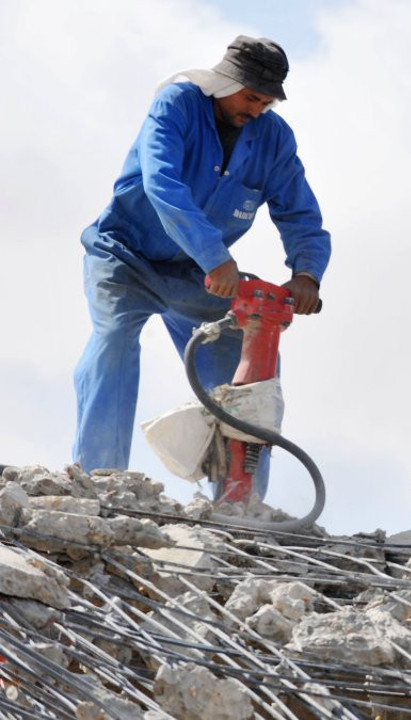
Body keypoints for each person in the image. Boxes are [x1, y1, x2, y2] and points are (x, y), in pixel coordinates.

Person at [72, 35, 331, 500]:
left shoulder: (274, 138)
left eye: (267, 102)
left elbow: (299, 212)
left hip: (198, 276)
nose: (257, 109)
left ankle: (239, 502)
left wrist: (306, 273)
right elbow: (162, 183)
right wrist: (215, 256)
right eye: (250, 97)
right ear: (224, 83)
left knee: (247, 368)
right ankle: (98, 484)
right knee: (113, 344)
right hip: (125, 255)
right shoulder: (177, 105)